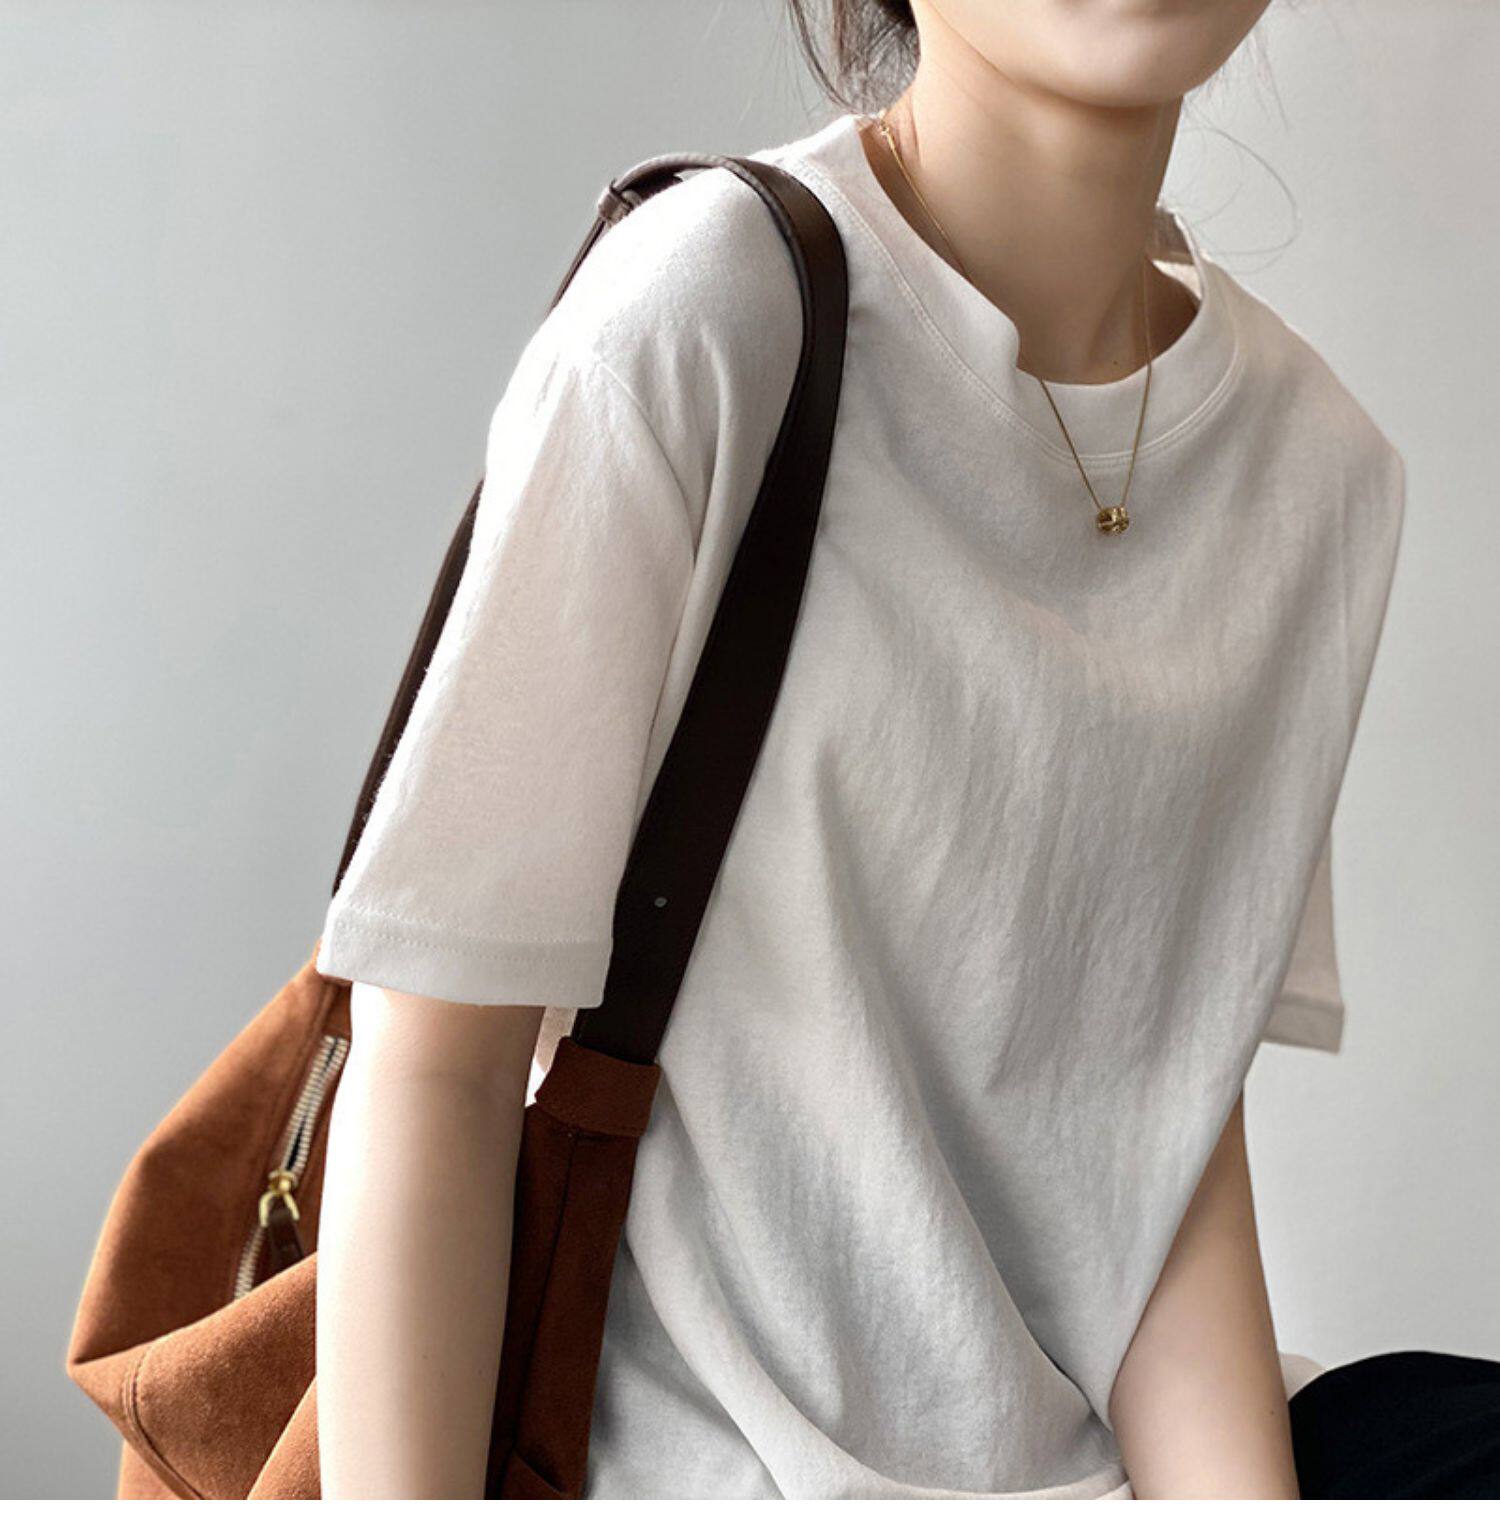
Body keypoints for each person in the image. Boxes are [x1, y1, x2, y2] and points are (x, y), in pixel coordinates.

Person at [310, 0, 1496, 1499]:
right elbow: (440, 1069)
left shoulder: (1312, 468)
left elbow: (1153, 1132)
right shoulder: (710, 308)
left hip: (1073, 1467)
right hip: (701, 1468)